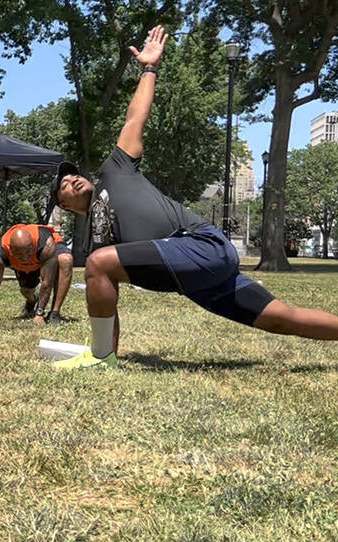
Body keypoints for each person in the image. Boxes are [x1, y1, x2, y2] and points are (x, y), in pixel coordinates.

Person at [48, 26, 338, 369]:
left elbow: (134, 119)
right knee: (281, 318)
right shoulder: (97, 246)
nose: (73, 179)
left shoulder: (115, 171)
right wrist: (109, 345)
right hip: (191, 278)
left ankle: (100, 359)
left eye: (73, 174)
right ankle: (104, 356)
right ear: (63, 205)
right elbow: (106, 303)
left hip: (198, 245)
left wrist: (149, 68)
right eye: (64, 184)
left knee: (98, 263)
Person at [0, 223, 73, 324]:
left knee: (65, 260)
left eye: (28, 252)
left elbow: (47, 282)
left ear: (33, 245)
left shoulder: (46, 244)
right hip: (26, 265)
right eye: (19, 254)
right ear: (11, 250)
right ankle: (31, 301)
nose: (25, 258)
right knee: (27, 291)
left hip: (45, 253)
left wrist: (39, 314)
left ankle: (54, 313)